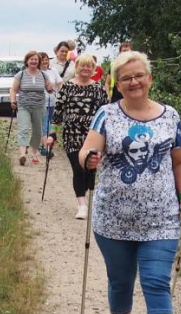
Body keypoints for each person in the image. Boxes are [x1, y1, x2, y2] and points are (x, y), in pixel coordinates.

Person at [78, 50, 181, 314]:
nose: (134, 82)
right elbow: (86, 151)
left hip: (161, 217)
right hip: (113, 218)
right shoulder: (106, 114)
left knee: (157, 280)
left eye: (139, 76)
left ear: (150, 79)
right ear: (117, 84)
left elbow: (180, 161)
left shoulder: (170, 116)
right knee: (121, 280)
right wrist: (89, 157)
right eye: (126, 78)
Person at [47, 54, 109, 219]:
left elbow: (106, 112)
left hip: (93, 135)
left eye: (89, 66)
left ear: (94, 69)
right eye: (83, 65)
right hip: (72, 134)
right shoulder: (67, 87)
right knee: (78, 168)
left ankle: (92, 201)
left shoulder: (98, 88)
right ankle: (81, 204)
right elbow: (58, 111)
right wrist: (52, 132)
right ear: (77, 67)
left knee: (91, 169)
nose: (86, 69)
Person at [9, 50, 53, 165]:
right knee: (23, 129)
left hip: (39, 106)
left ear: (38, 62)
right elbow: (13, 90)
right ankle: (23, 154)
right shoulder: (21, 74)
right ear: (27, 61)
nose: (33, 61)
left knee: (37, 131)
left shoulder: (43, 75)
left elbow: (49, 87)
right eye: (31, 59)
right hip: (24, 105)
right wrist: (13, 100)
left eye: (35, 59)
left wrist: (49, 88)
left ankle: (34, 153)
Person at [38, 51, 63, 155]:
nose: (45, 61)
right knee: (45, 124)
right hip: (41, 101)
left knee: (52, 123)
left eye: (46, 59)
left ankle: (46, 143)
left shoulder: (53, 70)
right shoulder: (37, 72)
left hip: (53, 101)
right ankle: (45, 147)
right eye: (43, 60)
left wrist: (61, 93)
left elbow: (60, 83)